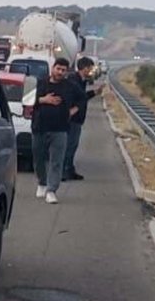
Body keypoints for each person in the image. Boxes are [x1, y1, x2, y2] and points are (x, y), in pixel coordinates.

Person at [31, 57, 82, 204]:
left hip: (60, 129)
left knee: (56, 161)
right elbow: (27, 99)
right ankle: (42, 182)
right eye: (58, 69)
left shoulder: (70, 86)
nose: (60, 72)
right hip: (39, 127)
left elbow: (82, 99)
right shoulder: (40, 83)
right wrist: (43, 100)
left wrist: (73, 110)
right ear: (53, 68)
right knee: (38, 157)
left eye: (63, 70)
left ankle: (52, 190)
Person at [63, 57, 105, 181]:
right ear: (85, 68)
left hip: (78, 118)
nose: (91, 71)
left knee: (73, 145)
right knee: (69, 145)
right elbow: (79, 97)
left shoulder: (81, 81)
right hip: (73, 119)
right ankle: (64, 171)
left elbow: (82, 97)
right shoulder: (73, 80)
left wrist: (94, 93)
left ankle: (70, 169)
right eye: (90, 69)